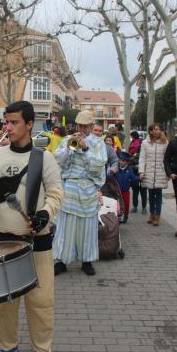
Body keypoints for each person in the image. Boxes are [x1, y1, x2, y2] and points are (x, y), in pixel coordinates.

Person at [0, 100, 63, 352]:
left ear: (29, 124)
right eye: (7, 122)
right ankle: (8, 348)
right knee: (6, 302)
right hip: (4, 240)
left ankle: (42, 349)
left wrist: (45, 214)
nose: (8, 127)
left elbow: (56, 193)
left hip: (38, 241)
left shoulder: (44, 157)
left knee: (41, 302)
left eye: (14, 122)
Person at [53, 110, 107, 276]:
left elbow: (99, 165)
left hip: (88, 189)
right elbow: (58, 160)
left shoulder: (98, 143)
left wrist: (85, 150)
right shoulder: (68, 140)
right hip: (69, 188)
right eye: (80, 125)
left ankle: (87, 261)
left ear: (91, 126)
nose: (82, 129)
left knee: (88, 228)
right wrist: (70, 147)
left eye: (86, 126)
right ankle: (61, 261)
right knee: (65, 228)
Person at [138, 124, 168, 226]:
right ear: (151, 131)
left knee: (158, 195)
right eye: (156, 129)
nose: (158, 131)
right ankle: (151, 214)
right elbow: (142, 158)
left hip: (160, 172)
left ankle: (157, 216)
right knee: (150, 195)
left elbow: (168, 159)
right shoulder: (145, 143)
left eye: (159, 129)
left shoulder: (165, 143)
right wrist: (141, 171)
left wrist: (168, 172)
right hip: (148, 172)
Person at [114, 152, 140, 224]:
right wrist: (111, 172)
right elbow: (111, 177)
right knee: (117, 203)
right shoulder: (116, 169)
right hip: (117, 190)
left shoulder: (129, 169)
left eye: (123, 161)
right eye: (120, 160)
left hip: (125, 190)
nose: (121, 162)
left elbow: (133, 177)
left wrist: (140, 178)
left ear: (127, 162)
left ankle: (125, 216)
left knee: (126, 203)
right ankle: (118, 215)